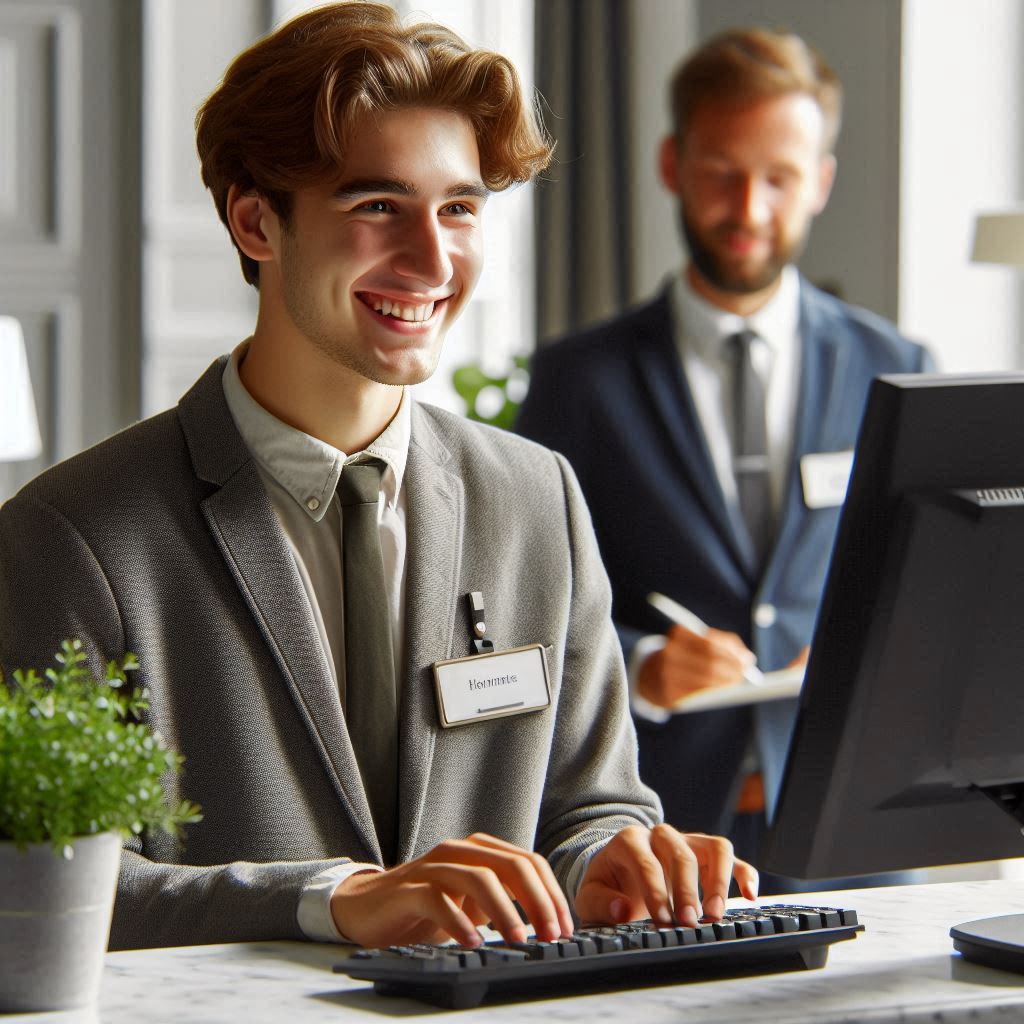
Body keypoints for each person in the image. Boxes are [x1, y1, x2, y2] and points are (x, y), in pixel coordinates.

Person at [0, 3, 756, 951]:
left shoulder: (538, 499)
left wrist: (612, 861)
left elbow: (591, 808)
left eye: (460, 209)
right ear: (254, 220)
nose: (434, 260)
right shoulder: (73, 538)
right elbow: (30, 882)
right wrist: (329, 897)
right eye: (377, 207)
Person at [515, 28, 934, 872]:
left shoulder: (896, 367)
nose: (748, 210)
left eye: (779, 178)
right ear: (672, 165)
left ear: (820, 182)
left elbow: (927, 591)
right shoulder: (579, 381)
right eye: (722, 172)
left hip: (851, 826)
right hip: (656, 837)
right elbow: (522, 610)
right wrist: (640, 666)